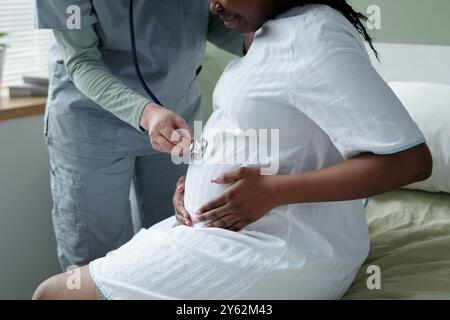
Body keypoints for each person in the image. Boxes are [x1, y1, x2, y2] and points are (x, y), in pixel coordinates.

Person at [33, 0, 432, 300]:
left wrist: (273, 190)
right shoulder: (272, 36)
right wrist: (200, 173)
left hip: (265, 245)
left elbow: (409, 161)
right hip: (94, 123)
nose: (210, 4)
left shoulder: (309, 35)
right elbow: (279, 121)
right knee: (84, 263)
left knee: (54, 294)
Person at [35, 0, 248, 270]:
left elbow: (210, 22)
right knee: (92, 262)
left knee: (175, 245)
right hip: (93, 121)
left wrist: (264, 43)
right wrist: (146, 114)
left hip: (176, 115)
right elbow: (80, 59)